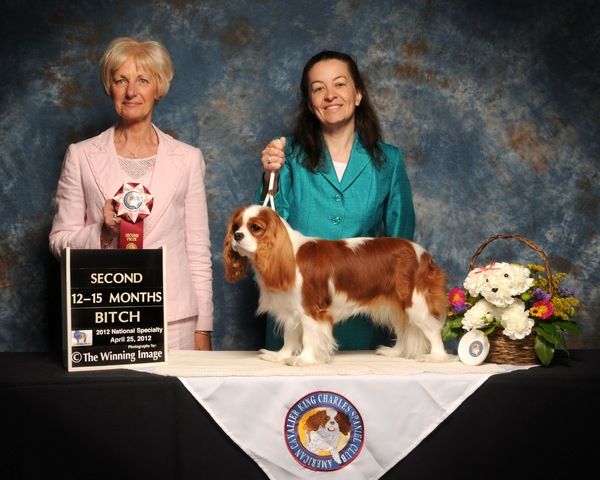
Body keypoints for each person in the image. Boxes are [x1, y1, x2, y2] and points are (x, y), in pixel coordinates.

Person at [49, 37, 213, 350]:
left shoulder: (189, 159)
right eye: (121, 80)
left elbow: (197, 251)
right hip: (103, 317)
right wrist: (102, 232)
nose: (131, 91)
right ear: (109, 87)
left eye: (143, 80)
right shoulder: (80, 155)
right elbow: (59, 242)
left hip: (174, 321)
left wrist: (203, 328)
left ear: (158, 88)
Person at [257, 50, 415, 351]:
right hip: (296, 317)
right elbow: (267, 232)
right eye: (318, 88)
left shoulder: (390, 159)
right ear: (310, 104)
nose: (330, 95)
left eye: (340, 84)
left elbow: (400, 244)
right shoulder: (286, 153)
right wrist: (269, 176)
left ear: (358, 95)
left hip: (364, 316)